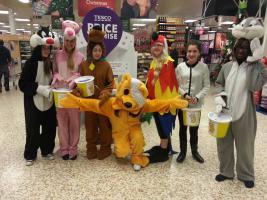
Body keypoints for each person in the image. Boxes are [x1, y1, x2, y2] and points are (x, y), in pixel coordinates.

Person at [214, 22, 267, 188]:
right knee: (223, 144)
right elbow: (219, 84)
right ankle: (226, 171)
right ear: (234, 49)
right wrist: (220, 97)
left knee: (245, 146)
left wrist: (258, 61)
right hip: (225, 113)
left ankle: (246, 174)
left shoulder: (253, 68)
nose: (241, 50)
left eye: (245, 48)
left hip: (244, 114)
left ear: (250, 50)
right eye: (238, 47)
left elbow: (255, 86)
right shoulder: (227, 66)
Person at [74, 26, 114, 160]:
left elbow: (111, 83)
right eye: (94, 50)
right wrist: (78, 90)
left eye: (99, 50)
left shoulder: (106, 65)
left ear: (102, 51)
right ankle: (90, 147)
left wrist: (106, 93)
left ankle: (105, 147)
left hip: (102, 102)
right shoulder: (84, 64)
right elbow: (78, 80)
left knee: (104, 125)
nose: (97, 53)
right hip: (88, 102)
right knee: (90, 126)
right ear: (90, 50)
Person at [18, 27, 57, 166]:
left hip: (49, 101)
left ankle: (47, 151)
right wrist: (39, 89)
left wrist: (53, 86)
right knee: (33, 129)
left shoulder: (49, 63)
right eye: (44, 48)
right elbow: (22, 84)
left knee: (50, 128)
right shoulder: (30, 64)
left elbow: (52, 80)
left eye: (48, 48)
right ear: (38, 47)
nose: (47, 50)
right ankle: (30, 154)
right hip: (33, 101)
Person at [52, 20, 84, 160]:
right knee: (62, 122)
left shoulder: (80, 57)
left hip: (73, 95)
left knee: (75, 123)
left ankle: (73, 148)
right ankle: (64, 148)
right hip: (59, 94)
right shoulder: (57, 55)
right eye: (67, 41)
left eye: (72, 41)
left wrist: (75, 78)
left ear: (75, 41)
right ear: (63, 40)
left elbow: (82, 75)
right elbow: (54, 71)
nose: (69, 44)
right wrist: (58, 76)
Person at [145, 32, 180, 163]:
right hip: (155, 102)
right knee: (160, 126)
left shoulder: (168, 62)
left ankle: (164, 152)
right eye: (154, 46)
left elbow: (168, 85)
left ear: (163, 47)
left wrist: (165, 103)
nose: (156, 48)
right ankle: (164, 147)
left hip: (164, 104)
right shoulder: (154, 62)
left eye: (159, 46)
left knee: (163, 126)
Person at [175, 40, 210, 163]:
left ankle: (195, 151)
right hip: (182, 104)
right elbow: (175, 85)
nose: (191, 54)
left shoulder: (204, 67)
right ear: (186, 52)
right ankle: (182, 152)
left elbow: (206, 86)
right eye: (189, 51)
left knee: (194, 130)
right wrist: (184, 94)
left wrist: (197, 97)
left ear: (199, 53)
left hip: (196, 105)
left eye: (194, 51)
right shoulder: (180, 67)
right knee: (182, 129)